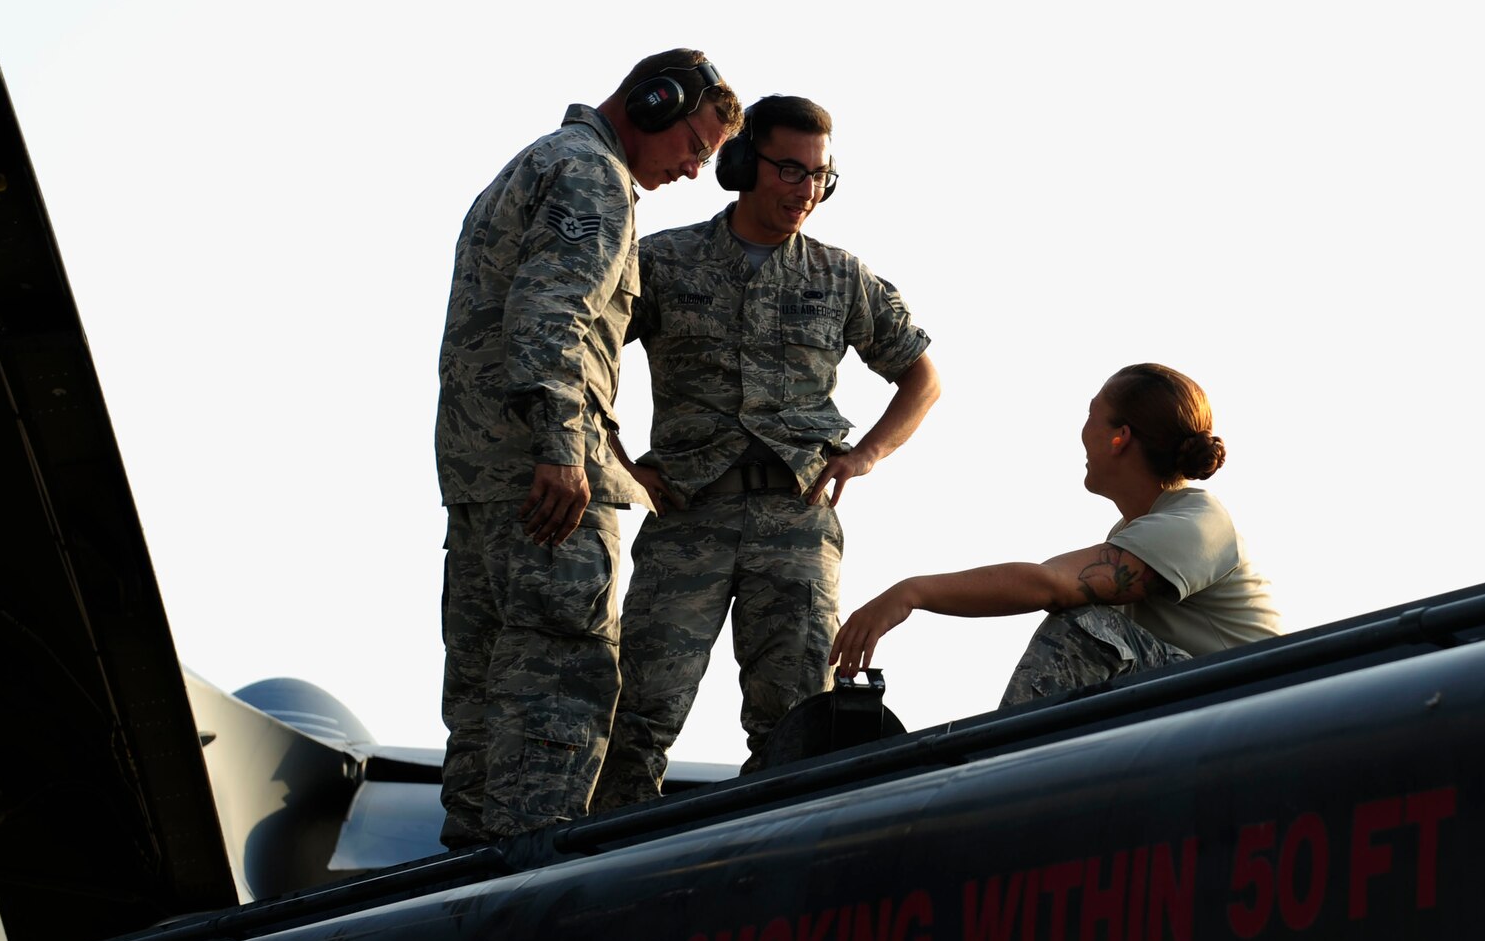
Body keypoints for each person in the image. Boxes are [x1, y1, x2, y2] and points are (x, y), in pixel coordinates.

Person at [596, 94, 941, 804]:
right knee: (635, 714)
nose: (806, 190)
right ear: (745, 163)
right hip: (688, 515)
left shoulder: (840, 276)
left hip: (797, 521)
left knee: (796, 726)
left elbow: (922, 377)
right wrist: (619, 461)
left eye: (820, 175)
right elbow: (584, 349)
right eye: (789, 169)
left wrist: (864, 455)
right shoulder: (664, 261)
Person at [435, 51, 742, 847]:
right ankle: (528, 899)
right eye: (693, 147)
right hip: (545, 492)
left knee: (480, 708)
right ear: (653, 102)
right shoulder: (591, 177)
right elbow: (553, 312)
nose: (693, 170)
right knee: (557, 698)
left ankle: (460, 897)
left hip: (480, 485)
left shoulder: (534, 162)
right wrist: (564, 449)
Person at [829, 363, 1279, 704]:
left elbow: (1051, 585)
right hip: (1203, 701)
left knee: (1083, 628)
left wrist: (911, 593)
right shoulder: (1140, 529)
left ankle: (1007, 781)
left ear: (1119, 437)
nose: (1081, 432)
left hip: (1250, 703)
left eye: (1091, 416)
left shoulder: (1198, 521)